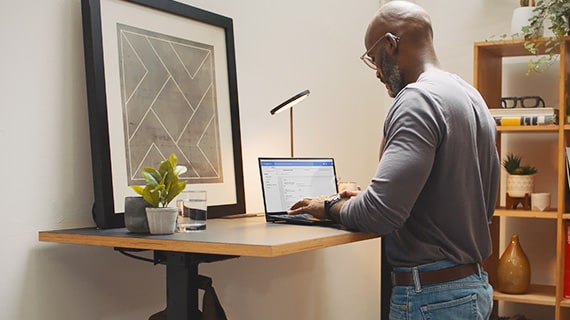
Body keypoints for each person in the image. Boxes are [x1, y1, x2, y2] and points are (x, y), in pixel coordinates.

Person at [288, 1, 500, 319]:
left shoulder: (417, 100)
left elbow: (380, 215)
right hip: (470, 288)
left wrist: (329, 205)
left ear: (391, 43)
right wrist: (369, 197)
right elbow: (467, 204)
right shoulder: (471, 98)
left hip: (431, 298)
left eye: (374, 59)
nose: (376, 72)